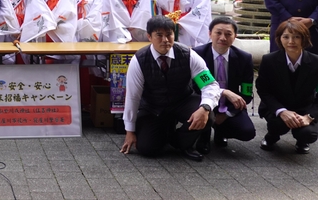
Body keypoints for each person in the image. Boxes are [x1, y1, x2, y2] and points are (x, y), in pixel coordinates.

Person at [120, 16, 221, 162]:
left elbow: (209, 84)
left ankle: (181, 143)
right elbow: (133, 97)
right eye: (159, 35)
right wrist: (129, 131)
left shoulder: (189, 55)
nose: (165, 40)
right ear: (149, 37)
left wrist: (205, 107)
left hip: (182, 101)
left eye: (169, 35)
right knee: (147, 148)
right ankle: (165, 131)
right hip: (153, 107)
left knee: (208, 114)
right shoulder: (139, 60)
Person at [193, 17, 255, 153]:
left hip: (228, 106)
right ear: (210, 34)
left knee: (247, 131)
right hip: (203, 103)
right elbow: (194, 88)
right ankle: (203, 135)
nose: (223, 38)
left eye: (228, 34)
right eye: (218, 33)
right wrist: (222, 92)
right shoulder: (197, 55)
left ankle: (221, 132)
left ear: (235, 36)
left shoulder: (244, 58)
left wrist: (227, 113)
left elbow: (246, 92)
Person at [256, 20, 318, 154]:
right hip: (278, 107)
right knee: (277, 125)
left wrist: (309, 116)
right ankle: (271, 137)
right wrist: (281, 111)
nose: (291, 41)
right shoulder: (269, 60)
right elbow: (263, 89)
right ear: (279, 39)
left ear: (305, 38)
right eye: (286, 37)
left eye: (297, 37)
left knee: (308, 133)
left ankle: (302, 141)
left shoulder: (315, 62)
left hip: (304, 109)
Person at [74, 0, 108, 109]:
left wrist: (83, 25)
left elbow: (97, 14)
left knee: (91, 66)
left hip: (89, 32)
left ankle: (89, 102)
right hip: (72, 32)